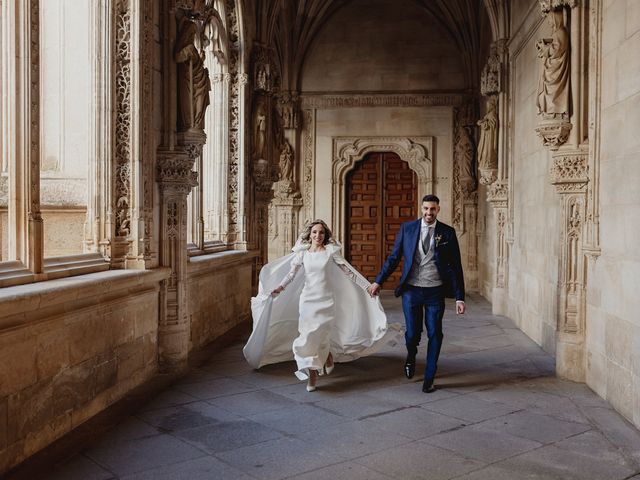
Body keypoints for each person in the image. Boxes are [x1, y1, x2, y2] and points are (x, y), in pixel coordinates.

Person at [244, 220, 399, 392]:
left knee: (323, 334)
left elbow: (349, 273)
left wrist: (367, 287)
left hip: (326, 301)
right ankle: (312, 373)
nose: (318, 236)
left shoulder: (330, 252)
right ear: (309, 235)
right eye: (315, 232)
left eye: (321, 233)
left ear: (325, 236)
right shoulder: (302, 254)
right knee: (307, 336)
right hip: (308, 301)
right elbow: (291, 275)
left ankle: (328, 355)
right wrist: (280, 288)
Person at [367, 195, 465, 393]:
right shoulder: (408, 229)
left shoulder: (447, 232)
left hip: (435, 291)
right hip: (411, 290)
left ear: (438, 210)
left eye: (433, 209)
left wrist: (459, 297)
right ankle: (411, 357)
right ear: (422, 209)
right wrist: (379, 280)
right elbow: (394, 258)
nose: (429, 213)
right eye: (426, 209)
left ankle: (429, 376)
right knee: (412, 334)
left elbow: (456, 266)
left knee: (435, 332)